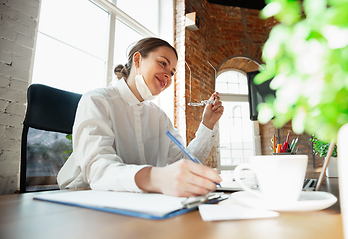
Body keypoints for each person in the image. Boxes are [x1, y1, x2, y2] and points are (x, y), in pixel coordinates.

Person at [57, 37, 224, 197]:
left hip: (140, 203)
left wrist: (207, 123)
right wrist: (154, 178)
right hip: (83, 198)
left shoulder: (159, 117)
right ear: (137, 60)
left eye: (172, 73)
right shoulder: (97, 100)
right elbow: (98, 168)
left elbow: (184, 161)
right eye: (163, 63)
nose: (168, 75)